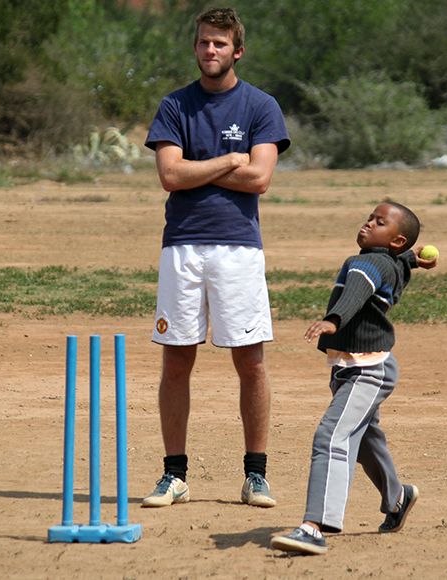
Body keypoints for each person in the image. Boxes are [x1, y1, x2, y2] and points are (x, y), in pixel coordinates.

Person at [141, 7, 290, 509]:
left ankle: (256, 475)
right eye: (204, 43)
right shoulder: (174, 105)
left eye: (220, 44)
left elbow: (261, 180)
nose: (210, 51)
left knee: (250, 362)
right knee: (177, 360)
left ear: (237, 50)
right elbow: (169, 176)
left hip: (238, 249)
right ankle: (174, 476)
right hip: (181, 246)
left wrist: (194, 167)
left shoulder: (261, 106)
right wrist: (229, 160)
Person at [270, 202, 437, 555]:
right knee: (364, 440)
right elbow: (392, 264)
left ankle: (314, 526)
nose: (368, 223)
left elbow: (356, 292)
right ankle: (397, 497)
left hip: (366, 370)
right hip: (354, 367)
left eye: (379, 222)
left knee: (331, 436)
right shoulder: (391, 262)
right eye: (370, 218)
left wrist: (334, 319)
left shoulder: (368, 263)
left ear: (397, 240)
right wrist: (411, 258)